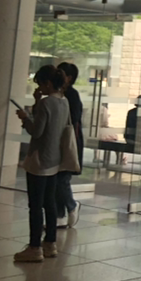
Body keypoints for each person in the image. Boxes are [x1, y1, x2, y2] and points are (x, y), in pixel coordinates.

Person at [14, 65, 70, 263]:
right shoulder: (64, 101)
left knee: (36, 205)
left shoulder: (47, 103)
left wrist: (25, 118)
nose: (39, 88)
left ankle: (34, 247)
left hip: (39, 159)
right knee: (50, 203)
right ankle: (50, 243)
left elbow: (36, 131)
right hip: (54, 159)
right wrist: (37, 102)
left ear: (47, 83)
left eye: (40, 84)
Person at [55, 62, 83, 229]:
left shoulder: (71, 95)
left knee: (62, 179)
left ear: (69, 78)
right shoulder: (57, 93)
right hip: (57, 141)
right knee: (57, 179)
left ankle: (71, 206)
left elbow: (74, 120)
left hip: (68, 141)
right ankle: (59, 215)